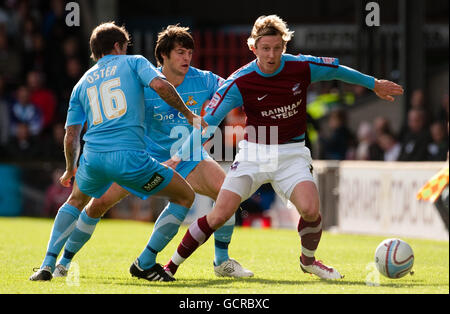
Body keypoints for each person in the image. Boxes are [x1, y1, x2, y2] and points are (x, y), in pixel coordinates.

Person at [163, 15, 403, 280]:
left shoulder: (301, 67)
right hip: (254, 154)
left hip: (292, 155)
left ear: (284, 46)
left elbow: (337, 70)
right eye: (265, 48)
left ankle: (308, 260)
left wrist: (374, 84)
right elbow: (207, 125)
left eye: (277, 48)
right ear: (253, 48)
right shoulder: (239, 81)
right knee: (219, 214)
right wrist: (177, 158)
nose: (271, 54)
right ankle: (170, 266)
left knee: (311, 210)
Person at [50, 25, 253, 280]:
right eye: (180, 52)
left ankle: (221, 261)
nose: (186, 58)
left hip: (188, 156)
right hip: (142, 157)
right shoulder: (142, 82)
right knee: (98, 204)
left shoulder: (205, 80)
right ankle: (63, 263)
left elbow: (233, 92)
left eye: (189, 52)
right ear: (163, 56)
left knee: (227, 194)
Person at [29, 21, 205, 281]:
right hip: (131, 160)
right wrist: (188, 114)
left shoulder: (81, 83)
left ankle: (49, 264)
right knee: (184, 196)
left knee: (76, 201)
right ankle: (145, 262)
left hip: (93, 160)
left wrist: (70, 167)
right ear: (117, 46)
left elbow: (71, 135)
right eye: (124, 46)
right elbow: (160, 86)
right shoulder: (134, 62)